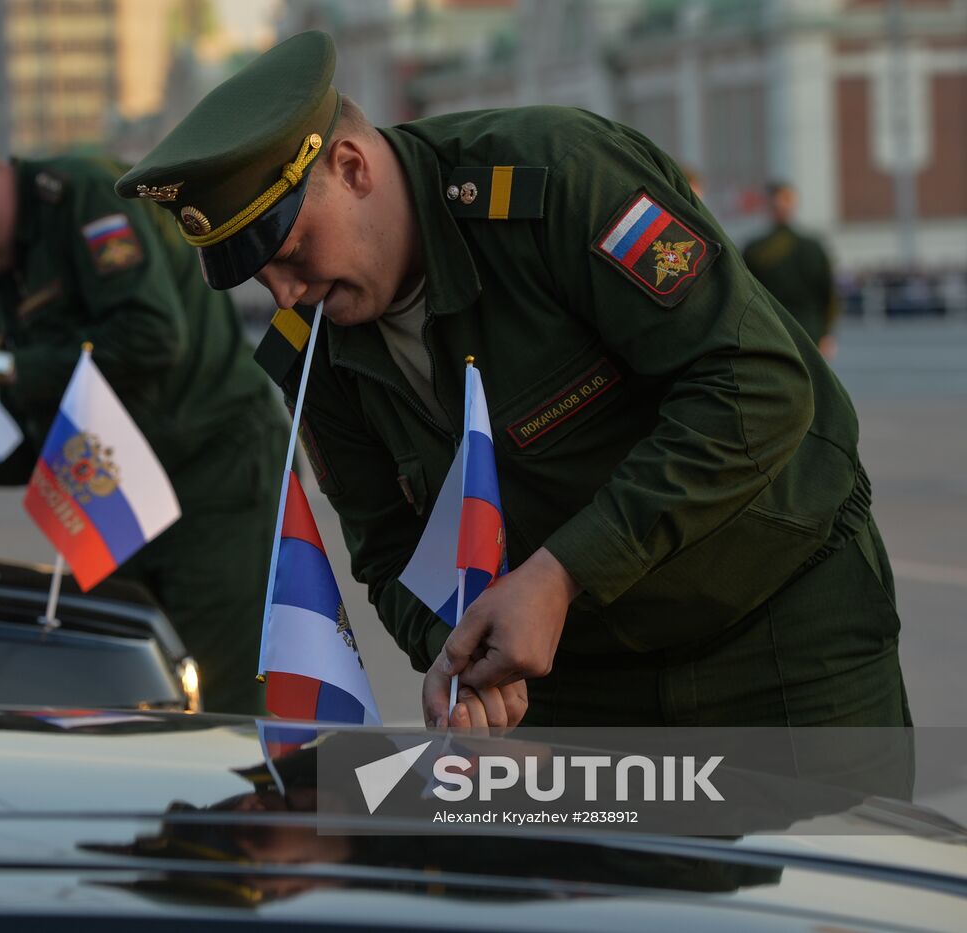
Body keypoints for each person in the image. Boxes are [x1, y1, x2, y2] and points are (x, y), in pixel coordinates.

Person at [115, 31, 911, 730]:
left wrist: (560, 575)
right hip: (577, 682)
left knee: (827, 893)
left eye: (288, 252)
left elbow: (758, 385)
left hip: (781, 638)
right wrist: (460, 655)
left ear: (351, 167)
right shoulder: (314, 342)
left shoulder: (555, 182)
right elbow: (389, 547)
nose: (284, 293)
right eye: (259, 275)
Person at [0, 117, 285, 713]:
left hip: (211, 482)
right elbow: (56, 408)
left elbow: (152, 338)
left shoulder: (80, 197)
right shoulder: (1, 273)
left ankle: (260, 804)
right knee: (119, 693)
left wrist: (2, 363)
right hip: (116, 501)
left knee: (223, 702)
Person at [743, 181, 840, 358]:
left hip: (771, 332)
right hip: (808, 331)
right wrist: (826, 333)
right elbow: (829, 295)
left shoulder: (754, 248)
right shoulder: (812, 247)